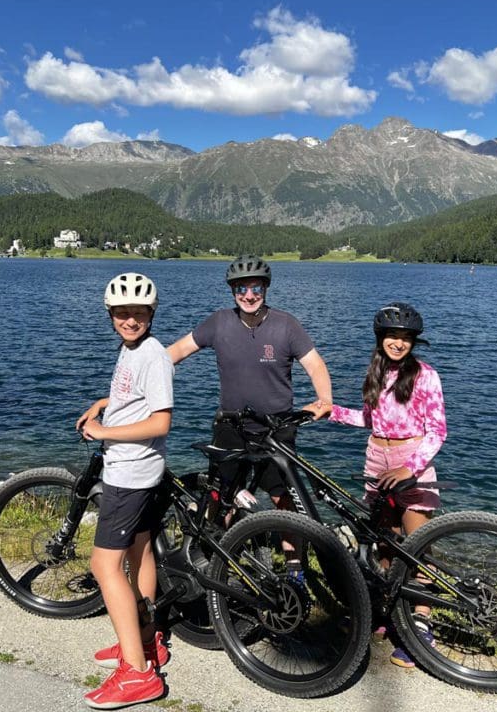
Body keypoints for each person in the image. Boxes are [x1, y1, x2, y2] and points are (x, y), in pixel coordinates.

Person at [311, 301, 447, 670]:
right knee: (385, 543)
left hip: (410, 461)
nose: (398, 344)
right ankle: (389, 611)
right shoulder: (376, 373)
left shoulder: (425, 376)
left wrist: (411, 468)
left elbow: (438, 431)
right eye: (392, 336)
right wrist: (331, 411)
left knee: (417, 546)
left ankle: (421, 621)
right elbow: (369, 420)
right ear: (380, 339)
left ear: (413, 342)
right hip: (376, 458)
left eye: (404, 338)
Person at [168, 255, 333, 522]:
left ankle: (294, 562)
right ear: (233, 291)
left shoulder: (286, 325)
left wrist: (325, 399)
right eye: (240, 289)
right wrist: (142, 376)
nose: (249, 295)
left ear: (265, 289)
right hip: (231, 425)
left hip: (276, 427)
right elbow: (176, 351)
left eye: (256, 288)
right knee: (222, 492)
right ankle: (217, 548)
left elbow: (315, 365)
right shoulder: (219, 322)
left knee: (283, 497)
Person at [75, 272, 173, 709]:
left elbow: (159, 422)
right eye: (121, 313)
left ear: (151, 314)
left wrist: (103, 432)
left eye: (137, 313)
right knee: (140, 553)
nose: (129, 320)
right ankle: (145, 642)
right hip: (143, 472)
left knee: (104, 566)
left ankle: (137, 673)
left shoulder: (153, 357)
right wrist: (104, 406)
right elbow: (133, 400)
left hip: (130, 474)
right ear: (111, 315)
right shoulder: (132, 350)